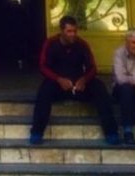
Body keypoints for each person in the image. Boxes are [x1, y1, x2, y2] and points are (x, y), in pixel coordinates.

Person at [30, 15, 119, 145]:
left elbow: (92, 68)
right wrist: (58, 79)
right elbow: (43, 67)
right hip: (58, 84)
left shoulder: (82, 44)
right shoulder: (51, 43)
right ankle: (37, 132)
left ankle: (111, 132)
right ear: (62, 31)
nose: (73, 34)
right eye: (69, 31)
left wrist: (84, 79)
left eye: (75, 31)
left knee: (99, 87)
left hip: (78, 85)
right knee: (44, 91)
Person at [112, 29, 135, 144]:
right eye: (133, 42)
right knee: (126, 90)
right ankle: (128, 130)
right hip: (120, 90)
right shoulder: (119, 53)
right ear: (126, 42)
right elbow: (120, 78)